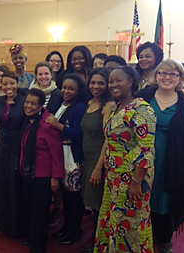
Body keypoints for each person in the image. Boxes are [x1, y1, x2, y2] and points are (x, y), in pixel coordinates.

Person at [139, 59, 184, 253]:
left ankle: (164, 242)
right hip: (142, 164)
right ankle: (142, 239)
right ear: (156, 76)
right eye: (163, 73)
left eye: (173, 74)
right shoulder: (143, 98)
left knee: (164, 204)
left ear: (180, 79)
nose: (167, 77)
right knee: (142, 201)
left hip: (172, 166)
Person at [94, 66, 156, 253]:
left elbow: (145, 148)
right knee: (114, 222)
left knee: (130, 225)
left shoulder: (142, 110)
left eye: (118, 80)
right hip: (114, 177)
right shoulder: (116, 107)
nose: (113, 85)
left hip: (132, 178)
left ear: (131, 82)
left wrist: (136, 181)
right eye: (111, 81)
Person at [20, 88, 64, 253]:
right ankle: (32, 238)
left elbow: (57, 153)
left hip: (43, 176)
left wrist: (55, 177)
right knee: (30, 208)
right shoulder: (30, 121)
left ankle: (38, 246)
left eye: (33, 104)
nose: (28, 106)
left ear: (40, 106)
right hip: (29, 173)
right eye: (27, 102)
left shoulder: (47, 124)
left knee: (39, 212)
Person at [46, 74, 87, 245]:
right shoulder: (59, 103)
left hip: (72, 156)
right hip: (59, 153)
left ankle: (75, 230)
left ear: (78, 91)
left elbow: (78, 134)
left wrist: (58, 125)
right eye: (64, 87)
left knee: (73, 198)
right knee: (63, 195)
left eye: (71, 89)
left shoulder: (79, 108)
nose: (66, 91)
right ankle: (66, 226)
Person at [80, 67, 114, 252]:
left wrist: (98, 168)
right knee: (93, 205)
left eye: (101, 83)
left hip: (98, 161)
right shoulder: (90, 102)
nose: (96, 86)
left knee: (99, 205)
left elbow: (108, 139)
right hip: (87, 158)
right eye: (93, 82)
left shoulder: (107, 106)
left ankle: (100, 245)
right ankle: (97, 242)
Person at [0, 70, 26, 236]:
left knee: (15, 184)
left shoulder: (25, 102)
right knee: (0, 184)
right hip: (1, 146)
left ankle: (16, 226)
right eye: (5, 84)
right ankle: (1, 223)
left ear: (17, 84)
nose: (8, 87)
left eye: (12, 83)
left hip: (18, 146)